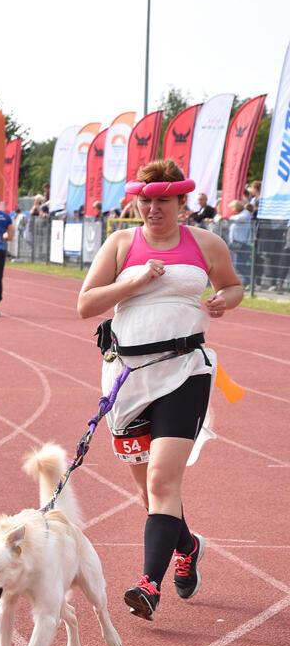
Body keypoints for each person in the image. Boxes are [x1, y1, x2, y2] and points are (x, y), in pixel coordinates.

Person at [76, 160, 243, 621]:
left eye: (163, 201)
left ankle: (148, 584)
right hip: (128, 378)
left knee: (162, 481)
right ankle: (187, 546)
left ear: (181, 202)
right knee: (150, 494)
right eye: (145, 201)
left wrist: (223, 300)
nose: (152, 209)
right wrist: (133, 281)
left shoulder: (205, 243)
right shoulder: (120, 244)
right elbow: (85, 304)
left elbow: (233, 287)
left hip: (185, 371)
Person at [226, 199, 253, 285]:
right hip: (237, 244)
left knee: (239, 265)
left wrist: (229, 217)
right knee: (237, 265)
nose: (231, 210)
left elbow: (241, 218)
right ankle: (246, 282)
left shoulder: (245, 213)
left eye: (232, 208)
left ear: (236, 207)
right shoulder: (238, 215)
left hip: (244, 244)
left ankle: (250, 281)